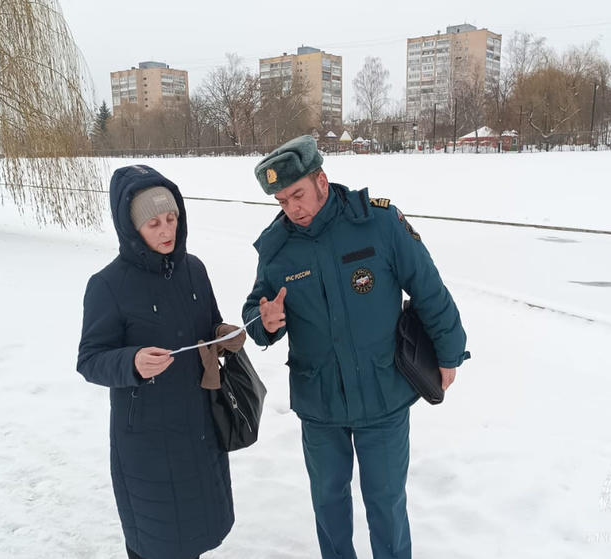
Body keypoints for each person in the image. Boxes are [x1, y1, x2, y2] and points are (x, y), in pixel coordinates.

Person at [241, 135, 469, 559]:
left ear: (321, 181)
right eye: (282, 200)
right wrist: (264, 320)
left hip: (382, 393)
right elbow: (255, 308)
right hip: (319, 402)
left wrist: (449, 351)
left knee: (386, 505)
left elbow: (428, 287)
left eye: (298, 194)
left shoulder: (378, 224)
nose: (292, 208)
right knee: (328, 504)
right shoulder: (277, 249)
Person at [77, 164, 245, 559]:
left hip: (200, 427)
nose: (167, 230)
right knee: (156, 542)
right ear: (131, 227)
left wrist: (225, 336)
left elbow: (207, 326)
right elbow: (90, 359)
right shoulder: (107, 285)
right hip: (147, 440)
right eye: (154, 223)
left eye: (172, 218)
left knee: (195, 533)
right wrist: (132, 361)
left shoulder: (194, 270)